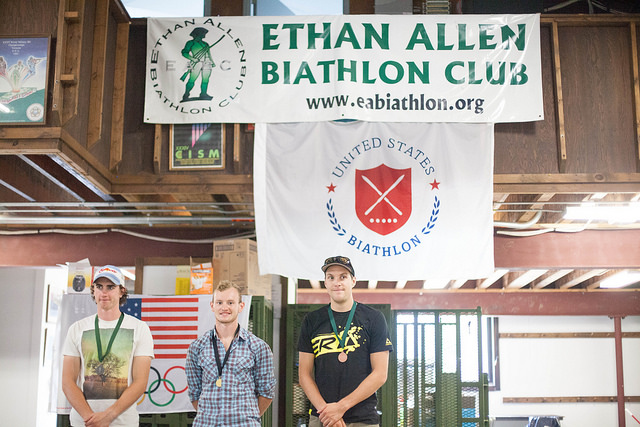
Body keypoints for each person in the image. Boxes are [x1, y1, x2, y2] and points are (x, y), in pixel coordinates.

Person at [298, 256, 393, 427]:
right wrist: (328, 413)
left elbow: (380, 374)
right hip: (322, 417)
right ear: (325, 283)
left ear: (353, 281)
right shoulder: (312, 320)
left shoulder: (373, 318)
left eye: (343, 276)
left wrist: (341, 408)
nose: (337, 282)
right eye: (331, 277)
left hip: (362, 418)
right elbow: (304, 375)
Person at [62, 265, 154, 427]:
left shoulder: (140, 328)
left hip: (123, 422)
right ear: (93, 291)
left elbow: (140, 383)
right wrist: (90, 418)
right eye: (99, 287)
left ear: (121, 291)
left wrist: (108, 416)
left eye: (110, 287)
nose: (104, 292)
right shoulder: (77, 328)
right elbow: (67, 381)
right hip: (83, 422)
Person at [185, 280, 276, 427]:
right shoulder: (197, 347)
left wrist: (247, 417)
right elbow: (194, 393)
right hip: (206, 423)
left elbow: (266, 393)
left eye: (230, 303)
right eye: (219, 302)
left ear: (241, 306)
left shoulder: (258, 347)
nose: (224, 307)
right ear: (212, 306)